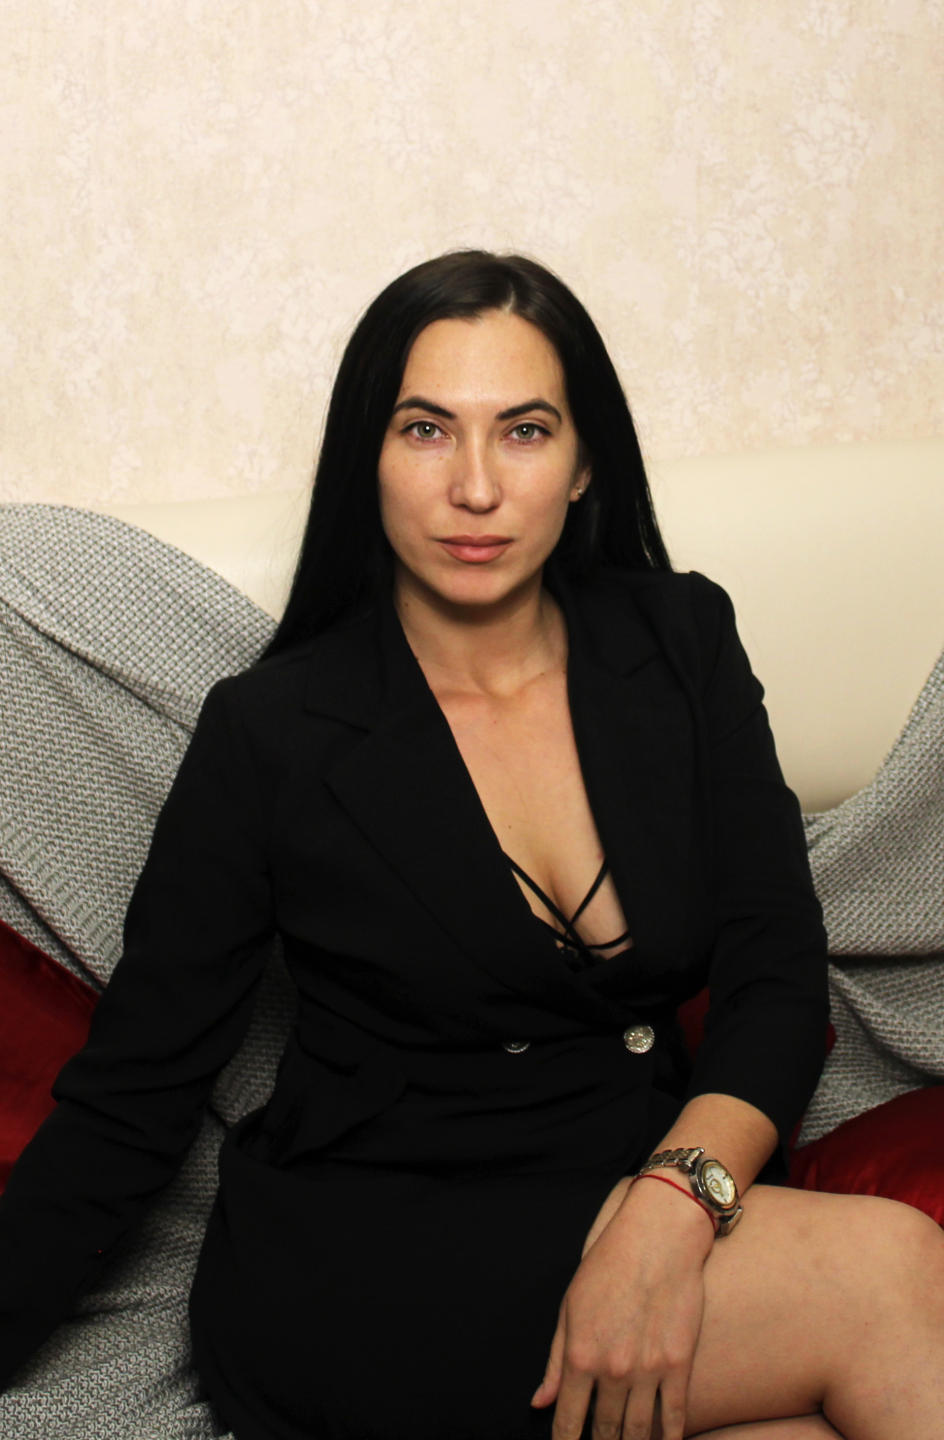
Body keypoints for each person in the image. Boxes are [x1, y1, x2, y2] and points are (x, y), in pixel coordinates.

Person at [1, 250, 943, 1440]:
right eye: (426, 430)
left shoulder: (679, 642)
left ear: (585, 462)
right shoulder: (273, 733)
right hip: (368, 1257)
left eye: (525, 431)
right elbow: (131, 1100)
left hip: (621, 1189)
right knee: (889, 1274)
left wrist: (670, 1208)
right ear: (368, 457)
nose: (477, 487)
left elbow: (773, 973)